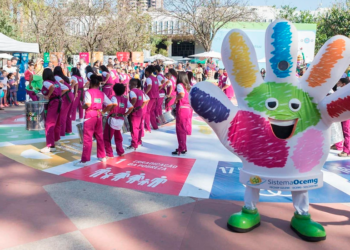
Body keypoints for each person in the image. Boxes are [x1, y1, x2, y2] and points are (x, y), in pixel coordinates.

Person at [74, 75, 113, 166]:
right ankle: (102, 156)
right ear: (99, 84)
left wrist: (82, 106)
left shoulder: (88, 92)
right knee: (99, 136)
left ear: (91, 83)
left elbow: (88, 104)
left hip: (90, 115)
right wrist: (103, 112)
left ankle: (85, 160)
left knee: (88, 137)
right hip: (98, 115)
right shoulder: (101, 93)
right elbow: (110, 104)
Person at [104, 84, 134, 157]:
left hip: (113, 118)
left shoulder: (114, 98)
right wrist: (125, 114)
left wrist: (109, 110)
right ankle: (120, 151)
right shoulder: (125, 99)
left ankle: (109, 153)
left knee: (107, 137)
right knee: (118, 136)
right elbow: (131, 107)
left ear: (114, 90)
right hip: (120, 119)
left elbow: (114, 104)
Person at [40, 68, 62, 153]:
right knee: (56, 123)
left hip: (54, 103)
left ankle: (50, 146)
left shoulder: (46, 82)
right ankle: (56, 140)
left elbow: (51, 88)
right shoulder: (56, 82)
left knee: (49, 124)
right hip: (59, 101)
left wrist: (48, 95)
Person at [173, 72, 192, 155]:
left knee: (180, 129)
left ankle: (181, 148)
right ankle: (183, 147)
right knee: (183, 129)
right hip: (188, 108)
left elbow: (181, 94)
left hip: (182, 108)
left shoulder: (180, 85)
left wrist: (176, 99)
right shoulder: (188, 86)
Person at [127, 79, 149, 150]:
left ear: (131, 84)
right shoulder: (140, 91)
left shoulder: (132, 92)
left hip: (134, 112)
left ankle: (134, 144)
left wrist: (131, 108)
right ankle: (139, 141)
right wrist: (140, 107)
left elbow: (134, 99)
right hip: (140, 111)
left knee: (134, 128)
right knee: (139, 127)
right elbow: (145, 101)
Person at [54, 66, 75, 136]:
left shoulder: (56, 77)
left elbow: (64, 86)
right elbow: (74, 82)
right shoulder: (64, 77)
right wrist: (71, 88)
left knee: (62, 115)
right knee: (68, 114)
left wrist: (59, 95)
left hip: (66, 96)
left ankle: (61, 132)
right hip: (70, 95)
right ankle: (68, 130)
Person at [334, 78, 350, 157]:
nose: (338, 85)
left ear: (344, 84)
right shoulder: (343, 92)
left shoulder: (347, 92)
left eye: (339, 83)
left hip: (347, 114)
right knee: (344, 131)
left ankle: (347, 151)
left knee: (347, 132)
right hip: (344, 114)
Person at [144, 65, 159, 132]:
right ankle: (154, 126)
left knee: (147, 111)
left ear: (147, 72)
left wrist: (144, 94)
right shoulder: (155, 78)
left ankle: (147, 127)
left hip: (150, 96)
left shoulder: (149, 78)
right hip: (155, 96)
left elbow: (149, 86)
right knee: (152, 112)